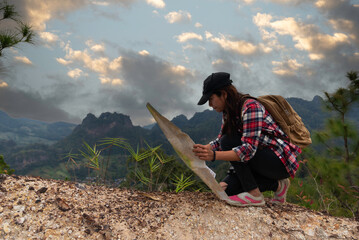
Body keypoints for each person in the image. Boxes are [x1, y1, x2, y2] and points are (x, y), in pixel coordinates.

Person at [192, 72, 302, 207]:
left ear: (223, 94)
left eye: (211, 98)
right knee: (227, 191)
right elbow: (219, 142)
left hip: (278, 161)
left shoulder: (250, 107)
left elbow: (248, 150)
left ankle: (255, 195)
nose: (210, 104)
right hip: (257, 161)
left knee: (228, 141)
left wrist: (214, 155)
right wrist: (204, 149)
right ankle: (279, 185)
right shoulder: (228, 112)